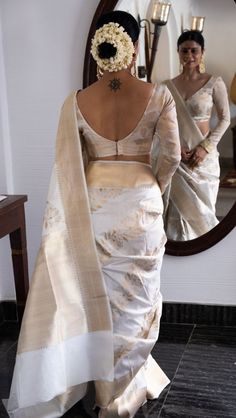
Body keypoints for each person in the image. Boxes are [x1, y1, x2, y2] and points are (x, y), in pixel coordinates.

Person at [5, 11, 181, 418]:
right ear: (133, 45)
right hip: (140, 201)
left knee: (98, 298)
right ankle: (118, 393)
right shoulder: (158, 95)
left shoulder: (77, 100)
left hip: (95, 206)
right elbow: (170, 156)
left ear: (99, 45)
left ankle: (103, 384)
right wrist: (154, 184)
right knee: (135, 300)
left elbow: (71, 162)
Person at [164, 30, 230, 241]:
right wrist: (175, 149)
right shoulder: (167, 86)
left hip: (203, 160)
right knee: (176, 214)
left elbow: (224, 119)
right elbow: (163, 123)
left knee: (202, 214)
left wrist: (205, 148)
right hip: (178, 158)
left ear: (202, 53)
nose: (189, 55)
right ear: (178, 52)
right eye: (185, 50)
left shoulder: (214, 82)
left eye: (194, 51)